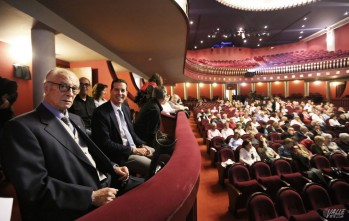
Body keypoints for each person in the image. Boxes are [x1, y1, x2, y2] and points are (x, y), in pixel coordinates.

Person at [0, 68, 142, 221]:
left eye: (74, 88)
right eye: (63, 86)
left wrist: (113, 166)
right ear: (46, 87)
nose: (70, 92)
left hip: (106, 180)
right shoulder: (20, 127)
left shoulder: (75, 119)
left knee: (150, 188)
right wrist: (90, 196)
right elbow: (34, 187)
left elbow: (89, 153)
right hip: (77, 199)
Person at [91, 79, 154, 178]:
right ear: (111, 91)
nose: (120, 93)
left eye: (123, 90)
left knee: (156, 153)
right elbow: (105, 143)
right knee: (152, 167)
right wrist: (134, 150)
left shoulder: (125, 108)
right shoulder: (100, 113)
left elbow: (131, 133)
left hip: (133, 149)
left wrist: (142, 145)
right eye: (116, 90)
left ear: (127, 92)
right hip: (120, 156)